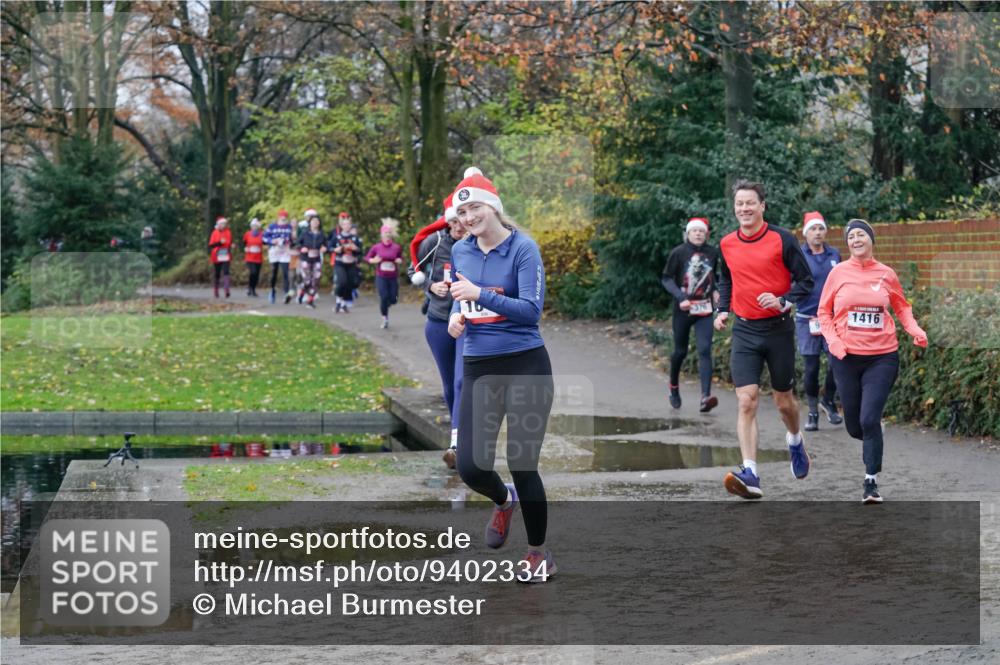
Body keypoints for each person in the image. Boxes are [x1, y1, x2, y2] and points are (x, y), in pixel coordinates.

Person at [447, 167, 555, 583]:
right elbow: (463, 299)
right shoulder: (461, 251)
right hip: (479, 366)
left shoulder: (523, 249)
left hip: (525, 364)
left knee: (522, 462)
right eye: (463, 211)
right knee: (471, 466)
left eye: (475, 207)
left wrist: (481, 295)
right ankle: (502, 499)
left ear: (492, 207)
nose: (470, 217)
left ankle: (538, 553)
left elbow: (531, 311)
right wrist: (458, 316)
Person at [714, 180, 815, 500]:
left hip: (778, 329)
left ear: (762, 206)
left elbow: (806, 281)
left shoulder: (783, 239)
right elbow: (726, 278)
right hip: (744, 330)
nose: (744, 208)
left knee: (784, 402)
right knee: (746, 400)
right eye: (739, 204)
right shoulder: (727, 243)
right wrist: (722, 309)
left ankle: (795, 440)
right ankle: (751, 473)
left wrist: (783, 299)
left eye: (750, 203)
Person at [817, 219, 927, 503]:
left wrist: (914, 329)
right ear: (848, 243)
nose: (856, 239)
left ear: (871, 240)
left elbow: (902, 307)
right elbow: (824, 313)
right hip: (846, 358)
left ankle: (870, 482)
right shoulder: (838, 273)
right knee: (855, 426)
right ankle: (874, 436)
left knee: (869, 419)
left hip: (882, 357)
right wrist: (834, 342)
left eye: (861, 235)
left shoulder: (886, 274)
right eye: (851, 236)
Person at [409, 193, 467, 466]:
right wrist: (430, 286)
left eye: (462, 221)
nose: (458, 227)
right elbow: (413, 269)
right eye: (453, 222)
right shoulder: (435, 241)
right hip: (438, 320)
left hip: (467, 324)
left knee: (461, 380)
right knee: (449, 385)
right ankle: (459, 433)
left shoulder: (477, 244)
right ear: (447, 221)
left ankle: (457, 443)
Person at [661, 217, 720, 413]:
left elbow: (717, 276)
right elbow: (667, 279)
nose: (698, 234)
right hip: (684, 309)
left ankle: (705, 397)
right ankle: (674, 387)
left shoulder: (713, 253)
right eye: (694, 231)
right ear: (688, 233)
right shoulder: (678, 253)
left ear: (706, 234)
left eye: (701, 231)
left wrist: (716, 290)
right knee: (680, 351)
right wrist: (680, 297)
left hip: (704, 309)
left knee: (704, 350)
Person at [795, 211, 843, 431]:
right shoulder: (798, 255)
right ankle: (813, 412)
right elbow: (791, 284)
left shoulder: (835, 254)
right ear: (806, 233)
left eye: (821, 228)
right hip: (807, 319)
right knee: (811, 367)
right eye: (813, 229)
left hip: (831, 319)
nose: (817, 233)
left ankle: (828, 401)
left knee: (837, 362)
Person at [365, 219, 403, 329]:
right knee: (384, 297)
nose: (387, 235)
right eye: (385, 233)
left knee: (394, 299)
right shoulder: (376, 247)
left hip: (393, 277)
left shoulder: (396, 247)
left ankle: (386, 304)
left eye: (389, 233)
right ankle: (385, 318)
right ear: (382, 234)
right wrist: (373, 260)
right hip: (381, 277)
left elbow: (400, 257)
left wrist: (399, 260)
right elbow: (368, 257)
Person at [329, 212, 363, 313]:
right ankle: (338, 301)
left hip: (351, 263)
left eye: (348, 224)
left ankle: (342, 304)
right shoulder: (337, 237)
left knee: (350, 284)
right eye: (344, 224)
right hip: (340, 263)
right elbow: (329, 247)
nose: (346, 226)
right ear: (341, 226)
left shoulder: (354, 238)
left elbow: (361, 251)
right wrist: (336, 250)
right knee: (342, 282)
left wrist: (355, 248)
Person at [262, 210, 294, 304]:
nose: (283, 219)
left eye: (285, 218)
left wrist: (289, 242)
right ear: (278, 217)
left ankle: (286, 293)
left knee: (285, 272)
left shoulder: (289, 227)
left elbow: (292, 239)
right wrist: (272, 241)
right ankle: (272, 290)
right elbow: (264, 238)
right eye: (281, 217)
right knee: (274, 272)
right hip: (274, 251)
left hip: (285, 251)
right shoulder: (272, 226)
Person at [296, 211, 327, 309]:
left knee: (316, 279)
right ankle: (301, 292)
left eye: (317, 221)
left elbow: (327, 245)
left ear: (319, 223)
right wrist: (302, 248)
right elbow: (297, 243)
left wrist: (325, 248)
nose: (315, 223)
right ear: (310, 223)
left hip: (316, 259)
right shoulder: (305, 233)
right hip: (305, 258)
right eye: (313, 221)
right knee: (307, 280)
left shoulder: (321, 234)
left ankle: (310, 301)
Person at [208, 216, 233, 298]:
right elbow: (211, 245)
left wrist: (232, 245)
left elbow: (229, 242)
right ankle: (216, 290)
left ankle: (226, 290)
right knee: (217, 273)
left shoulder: (228, 232)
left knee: (226, 271)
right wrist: (219, 242)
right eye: (222, 224)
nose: (223, 225)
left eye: (224, 224)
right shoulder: (214, 233)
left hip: (225, 254)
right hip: (217, 254)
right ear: (218, 224)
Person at [243, 219, 265, 297]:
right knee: (253, 272)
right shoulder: (247, 234)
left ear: (258, 227)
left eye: (256, 226)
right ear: (251, 227)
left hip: (258, 257)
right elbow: (244, 242)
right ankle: (250, 288)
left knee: (256, 274)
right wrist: (245, 248)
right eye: (253, 226)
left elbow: (265, 242)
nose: (254, 227)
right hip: (249, 257)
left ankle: (253, 288)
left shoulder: (261, 234)